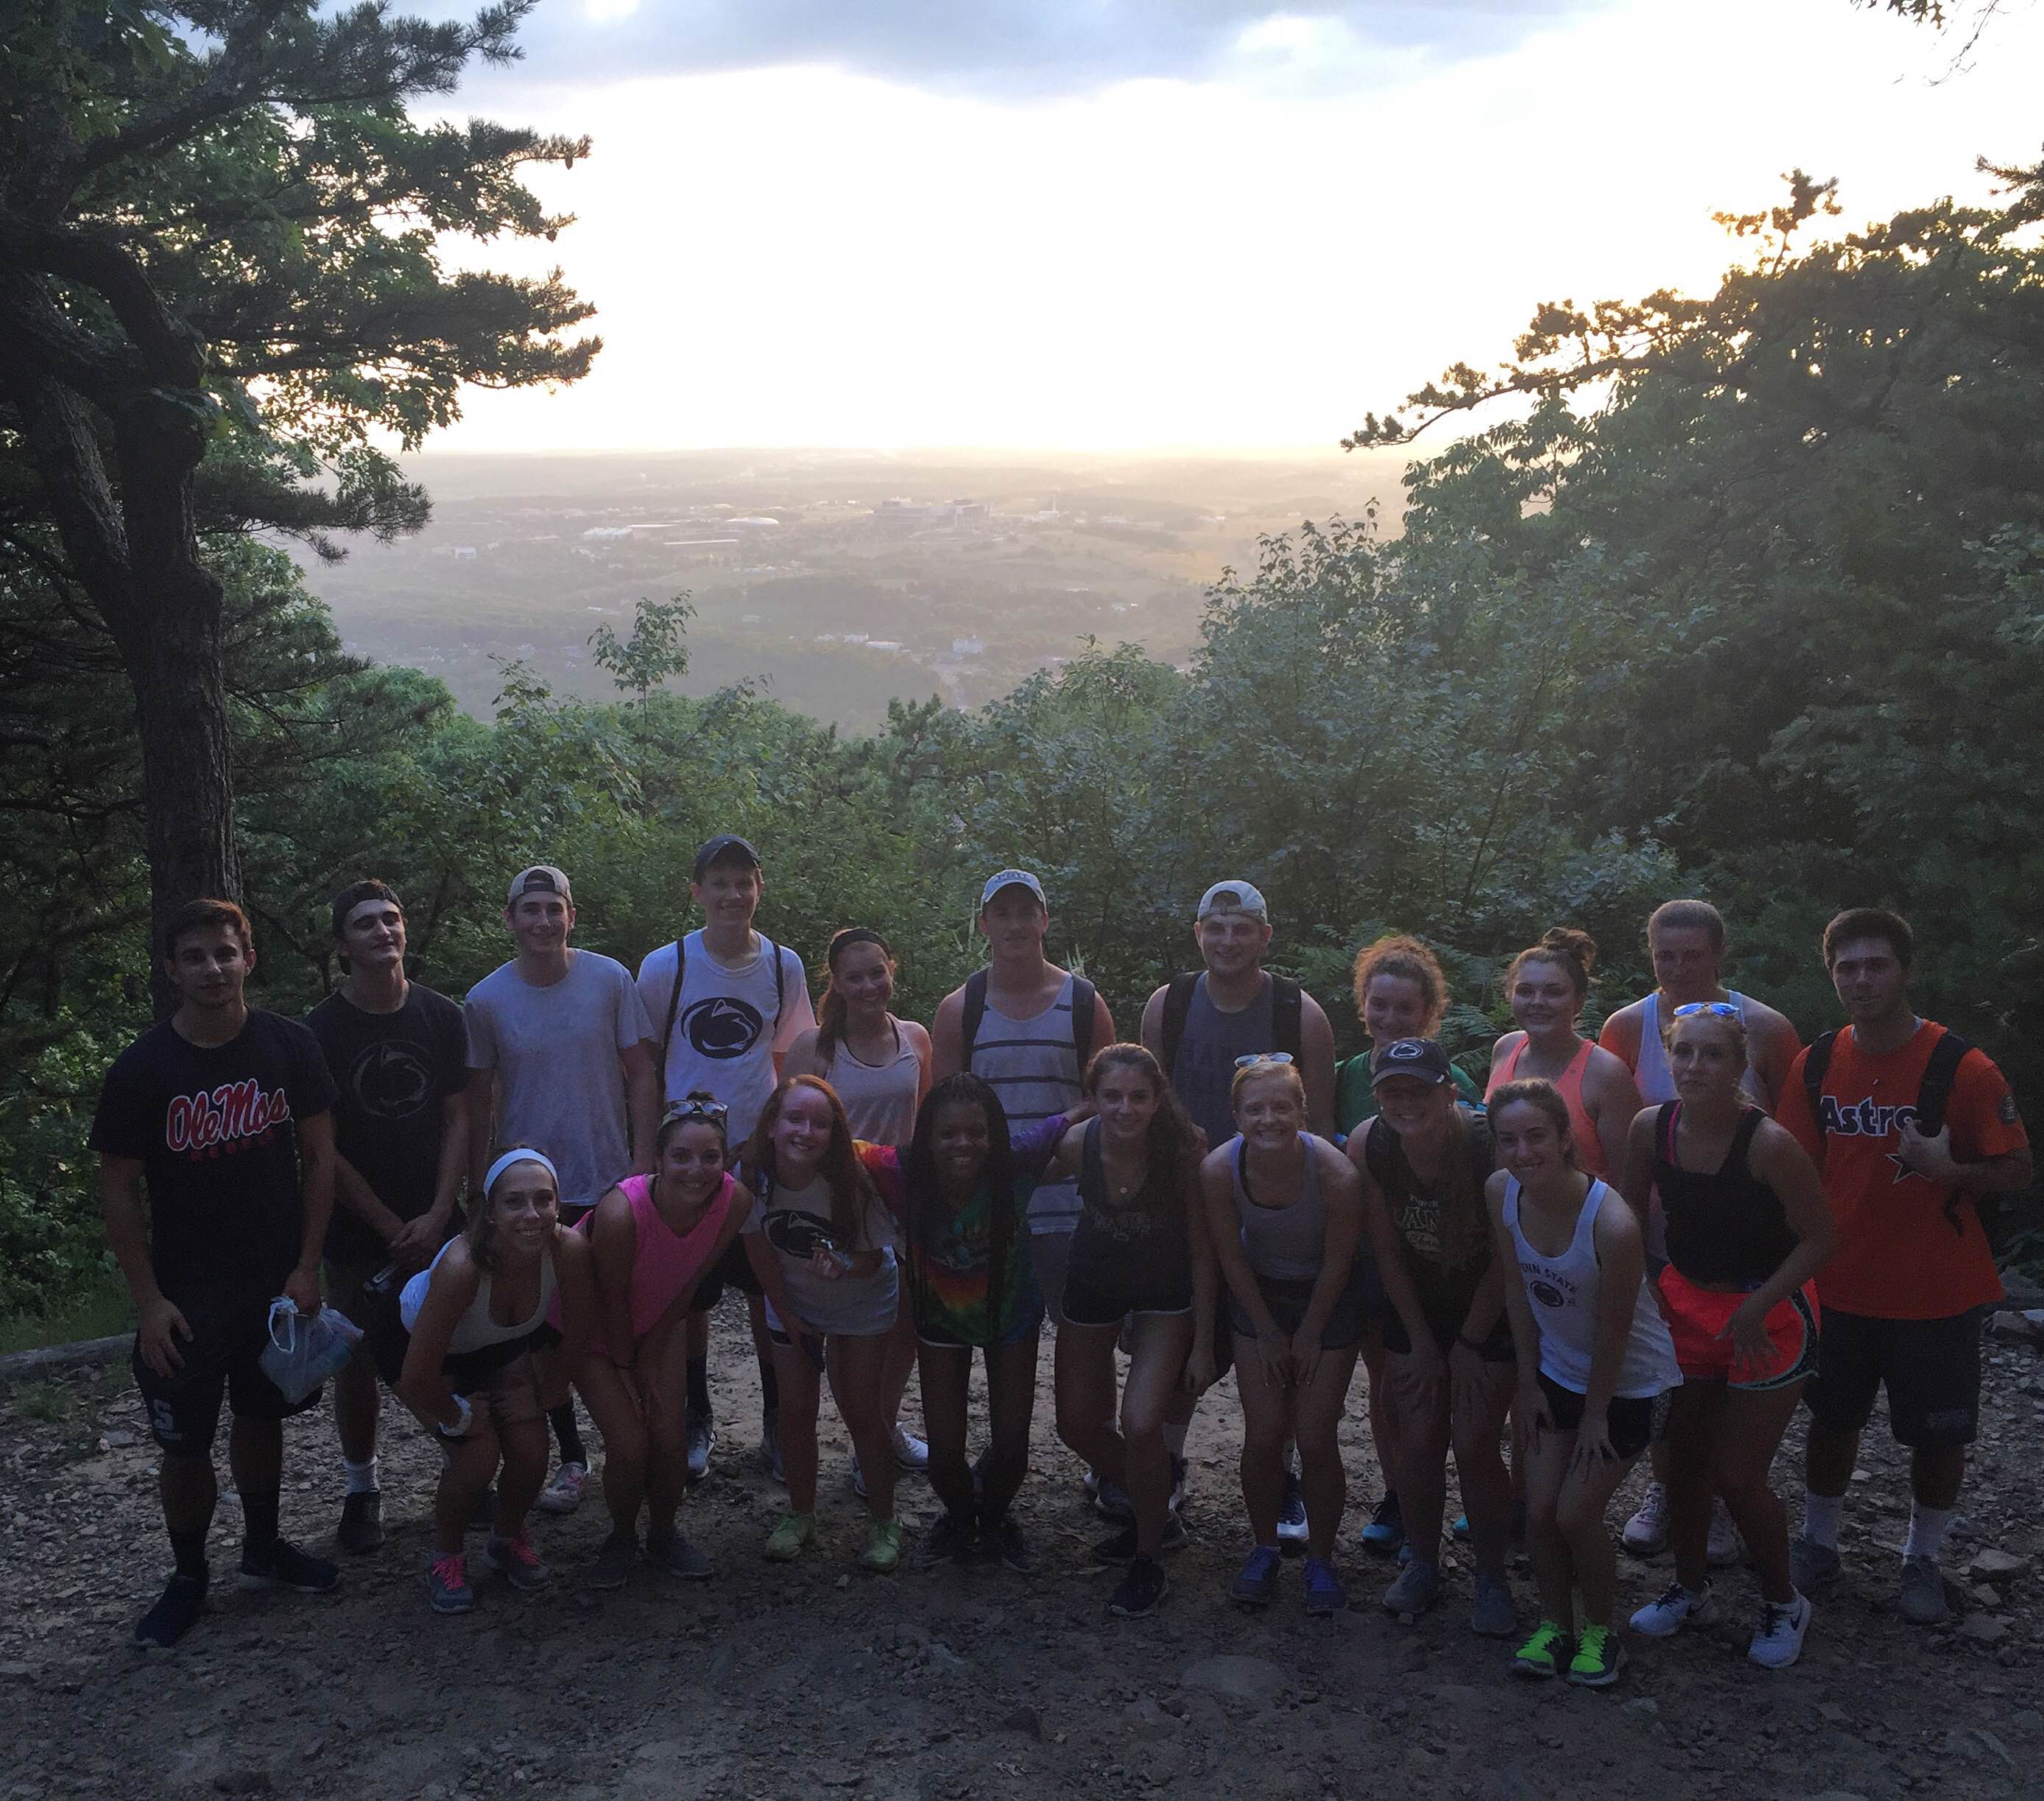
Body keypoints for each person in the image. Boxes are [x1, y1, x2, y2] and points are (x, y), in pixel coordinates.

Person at [94, 899, 342, 1647]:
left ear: (248, 957)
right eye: (195, 956)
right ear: (172, 969)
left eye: (225, 953)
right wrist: (148, 1300)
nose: (213, 967)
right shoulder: (144, 1068)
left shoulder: (288, 1045)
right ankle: (189, 1575)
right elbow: (117, 1188)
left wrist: (307, 1265)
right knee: (185, 1441)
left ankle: (263, 1549)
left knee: (263, 1413)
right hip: (187, 1289)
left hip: (274, 1278)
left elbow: (321, 1157)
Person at [1776, 908, 2031, 1626]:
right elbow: (1792, 1166)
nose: (1860, 978)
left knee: (1939, 1434)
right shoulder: (1816, 1061)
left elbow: (2018, 1168)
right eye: (1846, 967)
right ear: (1832, 975)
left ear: (1904, 969)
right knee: (1829, 1421)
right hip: (1837, 1287)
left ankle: (1921, 1558)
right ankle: (1818, 1542)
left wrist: (1946, 1166)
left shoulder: (1963, 1066)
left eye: (1875, 964)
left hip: (1936, 1292)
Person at [1616, 1004, 1834, 1669]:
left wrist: (1757, 1303)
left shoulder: (1767, 1143)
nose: (1695, 1067)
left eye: (1713, 1055)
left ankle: (1783, 1601)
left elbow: (1822, 1237)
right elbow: (1624, 1218)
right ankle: (1689, 1587)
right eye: (1684, 1052)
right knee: (1682, 1463)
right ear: (1667, 1057)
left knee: (1738, 1475)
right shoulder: (1651, 1128)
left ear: (1740, 1066)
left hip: (1770, 1312)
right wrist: (1640, 1289)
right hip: (1686, 1302)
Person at [1599, 897, 1802, 1563]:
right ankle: (1670, 1492)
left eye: (1693, 955)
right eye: (1665, 955)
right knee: (1671, 1377)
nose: (1679, 968)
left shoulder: (1766, 1029)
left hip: (1747, 1241)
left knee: (1731, 1381)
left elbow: (1795, 1132)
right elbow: (1622, 1132)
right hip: (1663, 1238)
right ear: (1649, 953)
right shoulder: (1628, 1028)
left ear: (1719, 954)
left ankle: (1720, 1498)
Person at [1142, 878, 1335, 1548]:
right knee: (1175, 1340)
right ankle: (1163, 1465)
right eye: (1215, 927)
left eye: (1242, 927)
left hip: (1274, 1206)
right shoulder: (1169, 1005)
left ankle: (1281, 1475)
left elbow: (1322, 1124)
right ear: (1198, 933)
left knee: (1273, 1343)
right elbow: (1150, 1106)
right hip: (1184, 1201)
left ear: (1264, 936)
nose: (1228, 940)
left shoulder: (1298, 1012)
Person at [465, 864, 658, 1515]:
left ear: (571, 915)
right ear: (510, 919)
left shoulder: (610, 980)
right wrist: (478, 1189)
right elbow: (479, 1101)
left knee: (616, 1311)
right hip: (528, 1194)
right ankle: (571, 1459)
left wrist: (641, 1169)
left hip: (607, 1179)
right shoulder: (486, 1000)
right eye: (531, 910)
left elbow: (640, 1075)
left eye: (555, 908)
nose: (544, 921)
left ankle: (652, 1437)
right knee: (541, 1326)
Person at [1487, 1079, 1681, 1687]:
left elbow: (1615, 1332)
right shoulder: (1502, 1194)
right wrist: (1528, 1383)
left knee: (1575, 1516)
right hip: (1556, 1374)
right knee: (1539, 1512)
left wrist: (1596, 1414)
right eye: (1509, 1140)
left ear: (1567, 1139)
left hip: (1632, 1386)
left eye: (1537, 1136)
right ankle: (1554, 1624)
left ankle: (1601, 1630)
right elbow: (1517, 1293)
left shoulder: (1613, 1223)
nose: (1523, 1152)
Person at [638, 834, 817, 1484]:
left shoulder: (782, 965)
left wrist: (777, 1135)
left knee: (769, 1290)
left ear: (759, 888)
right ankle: (697, 1417)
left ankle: (776, 1422)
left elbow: (791, 1057)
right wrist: (655, 1153)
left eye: (743, 882)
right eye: (718, 882)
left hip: (761, 1159)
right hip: (687, 1163)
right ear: (696, 892)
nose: (732, 894)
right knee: (690, 1298)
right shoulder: (667, 965)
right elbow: (647, 1062)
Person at [306, 878, 470, 1554]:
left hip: (436, 1216)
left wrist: (436, 1213)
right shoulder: (318, 1031)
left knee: (452, 1345)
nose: (383, 931)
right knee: (356, 1363)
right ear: (344, 944)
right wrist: (383, 1225)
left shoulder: (440, 1016)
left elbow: (461, 1117)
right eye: (366, 923)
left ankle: (466, 1466)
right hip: (354, 1227)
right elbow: (321, 1147)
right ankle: (360, 1488)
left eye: (392, 919)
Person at [859, 1073, 1079, 1571]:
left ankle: (997, 1518)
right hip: (939, 1321)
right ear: (927, 1136)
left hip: (1012, 1316)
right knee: (945, 1454)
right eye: (948, 1133)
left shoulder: (1016, 1162)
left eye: (976, 1132)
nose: (964, 1144)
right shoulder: (903, 1169)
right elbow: (838, 1146)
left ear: (994, 1134)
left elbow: (1073, 1119)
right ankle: (959, 1518)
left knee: (1011, 1445)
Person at [1043, 1044, 1216, 1618]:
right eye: (1112, 1096)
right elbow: (1010, 1178)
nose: (1125, 1109)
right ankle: (1155, 1512)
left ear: (1157, 1099)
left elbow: (1204, 1247)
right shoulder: (1076, 1145)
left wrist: (1207, 1338)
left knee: (1141, 1422)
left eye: (1138, 1097)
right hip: (1092, 1284)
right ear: (1093, 1099)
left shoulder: (1182, 1150)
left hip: (1166, 1297)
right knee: (1075, 1425)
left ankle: (1148, 1559)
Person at [1355, 1037, 1518, 1636]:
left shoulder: (1484, 1147)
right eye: (1392, 1090)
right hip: (1417, 1305)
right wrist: (1422, 1344)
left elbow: (1506, 1258)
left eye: (1419, 1089)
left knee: (1475, 1442)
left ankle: (1492, 1574)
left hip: (1487, 1308)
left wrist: (1469, 1345)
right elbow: (1387, 1252)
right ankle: (1422, 1561)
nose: (1405, 1102)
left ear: (1449, 1090)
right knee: (1417, 1439)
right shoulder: (1371, 1143)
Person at [393, 1149, 596, 1613]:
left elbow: (581, 1334)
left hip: (496, 1344)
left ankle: (504, 1541)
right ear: (489, 1211)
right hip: (424, 1350)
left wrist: (548, 1392)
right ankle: (446, 1555)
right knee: (476, 1458)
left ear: (559, 1205)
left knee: (531, 1454)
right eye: (515, 1202)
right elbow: (415, 1376)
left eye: (544, 1200)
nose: (531, 1215)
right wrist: (458, 1415)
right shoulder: (464, 1266)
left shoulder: (568, 1249)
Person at [1331, 934, 1481, 1559]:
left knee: (1460, 1391)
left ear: (1428, 1014)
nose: (1390, 1018)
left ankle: (1475, 1498)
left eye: (1405, 1008)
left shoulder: (1457, 1081)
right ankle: (1401, 1495)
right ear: (1362, 1006)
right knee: (1390, 1385)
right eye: (1380, 1005)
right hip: (1370, 1255)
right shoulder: (1344, 1078)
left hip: (1444, 1258)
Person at [1200, 1054, 1365, 1617]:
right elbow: (1229, 1257)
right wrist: (1269, 1332)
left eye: (1280, 1106)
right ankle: (1265, 1545)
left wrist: (1312, 1332)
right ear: (1236, 1115)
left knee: (1315, 1435)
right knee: (1265, 1433)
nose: (1268, 1119)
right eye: (1255, 1109)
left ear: (1302, 1110)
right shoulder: (1221, 1169)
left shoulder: (1337, 1174)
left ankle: (1321, 1556)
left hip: (1329, 1297)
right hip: (1260, 1295)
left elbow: (1341, 1263)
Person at [575, 1096, 753, 1591]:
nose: (697, 1170)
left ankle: (664, 1533)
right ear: (657, 1159)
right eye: (681, 1157)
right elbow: (608, 1301)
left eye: (710, 1157)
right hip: (593, 1328)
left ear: (725, 1159)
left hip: (659, 1322)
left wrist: (653, 1353)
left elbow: (693, 1282)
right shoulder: (620, 1213)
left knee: (670, 1437)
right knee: (631, 1443)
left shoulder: (734, 1201)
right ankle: (620, 1536)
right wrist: (632, 1372)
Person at [784, 927, 933, 1492]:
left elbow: (925, 1123)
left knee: (904, 1326)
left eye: (877, 972)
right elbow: (790, 1129)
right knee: (842, 1328)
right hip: (832, 1207)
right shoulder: (814, 1049)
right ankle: (849, 1437)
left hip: (900, 1201)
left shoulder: (915, 1038)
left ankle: (881, 1430)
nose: (869, 985)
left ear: (891, 969)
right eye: (855, 976)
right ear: (837, 984)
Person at [739, 1075, 906, 1572]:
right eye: (795, 1119)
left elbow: (877, 1259)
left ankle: (884, 1522)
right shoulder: (753, 1176)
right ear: (771, 1124)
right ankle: (801, 1515)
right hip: (793, 1300)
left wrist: (844, 1265)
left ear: (834, 1133)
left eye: (820, 1124)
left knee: (862, 1412)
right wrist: (787, 1316)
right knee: (795, 1413)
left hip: (861, 1299)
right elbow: (756, 1245)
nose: (805, 1132)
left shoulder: (854, 1177)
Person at [1486, 928, 1642, 1178]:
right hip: (1510, 1210)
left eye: (1553, 992)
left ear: (1579, 1001)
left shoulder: (1605, 1074)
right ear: (1509, 994)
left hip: (1584, 1214)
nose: (1537, 1002)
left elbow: (1630, 1176)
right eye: (1526, 991)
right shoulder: (1505, 1050)